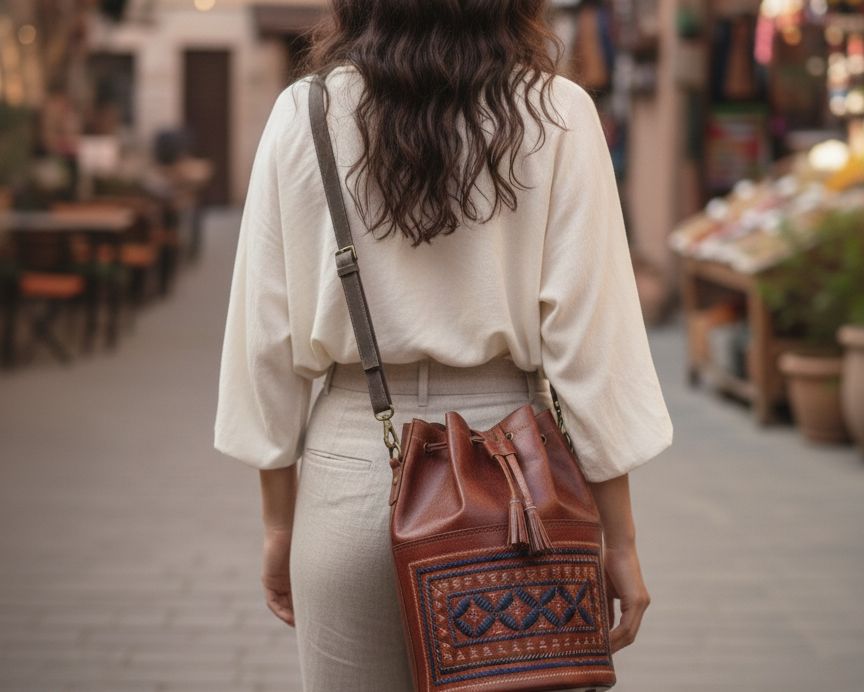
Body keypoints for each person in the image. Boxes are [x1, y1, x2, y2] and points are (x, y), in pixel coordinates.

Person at [215, 2, 673, 690]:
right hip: (516, 480)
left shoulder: (303, 112)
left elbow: (262, 345)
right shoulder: (559, 113)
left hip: (355, 466)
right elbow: (593, 347)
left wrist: (281, 526)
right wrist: (623, 540)